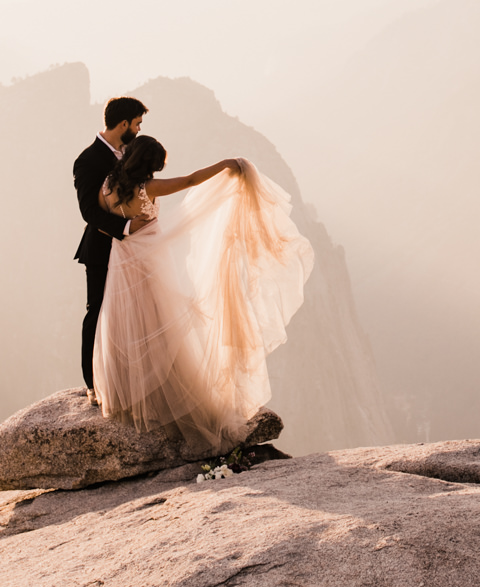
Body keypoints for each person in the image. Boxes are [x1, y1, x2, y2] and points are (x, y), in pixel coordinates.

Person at [91, 136, 315, 451]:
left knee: (128, 322)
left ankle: (129, 394)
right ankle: (165, 397)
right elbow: (191, 180)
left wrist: (127, 229)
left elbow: (104, 222)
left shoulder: (107, 187)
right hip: (150, 261)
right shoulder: (147, 189)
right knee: (159, 325)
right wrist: (226, 165)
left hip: (122, 261)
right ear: (147, 165)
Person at [72, 96, 145, 401]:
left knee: (131, 312)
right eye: (137, 124)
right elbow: (88, 210)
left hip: (133, 251)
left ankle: (126, 376)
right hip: (103, 246)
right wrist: (126, 229)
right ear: (124, 124)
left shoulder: (132, 153)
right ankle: (92, 382)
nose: (140, 130)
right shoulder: (87, 160)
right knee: (97, 310)